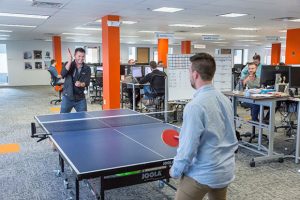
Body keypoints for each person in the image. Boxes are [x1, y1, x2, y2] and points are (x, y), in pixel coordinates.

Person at [170, 53, 238, 200]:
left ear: (195, 74)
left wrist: (175, 171)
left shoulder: (194, 106)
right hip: (225, 170)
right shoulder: (225, 100)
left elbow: (188, 147)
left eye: (189, 72)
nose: (189, 75)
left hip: (203, 172)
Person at [60, 48, 91, 113]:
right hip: (67, 97)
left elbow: (87, 82)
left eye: (83, 56)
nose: (81, 58)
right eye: (79, 56)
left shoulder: (87, 68)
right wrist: (69, 61)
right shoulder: (68, 64)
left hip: (80, 98)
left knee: (83, 119)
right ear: (74, 56)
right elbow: (63, 74)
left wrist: (81, 84)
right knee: (63, 119)